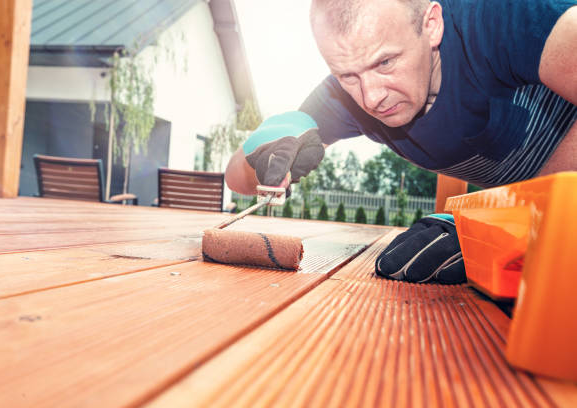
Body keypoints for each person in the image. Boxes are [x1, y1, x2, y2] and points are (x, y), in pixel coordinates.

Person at [225, 0, 577, 284]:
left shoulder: (501, 16)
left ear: (431, 24)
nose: (371, 97)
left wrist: (509, 223)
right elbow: (235, 179)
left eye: (386, 62)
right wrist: (267, 143)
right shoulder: (345, 96)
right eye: (347, 75)